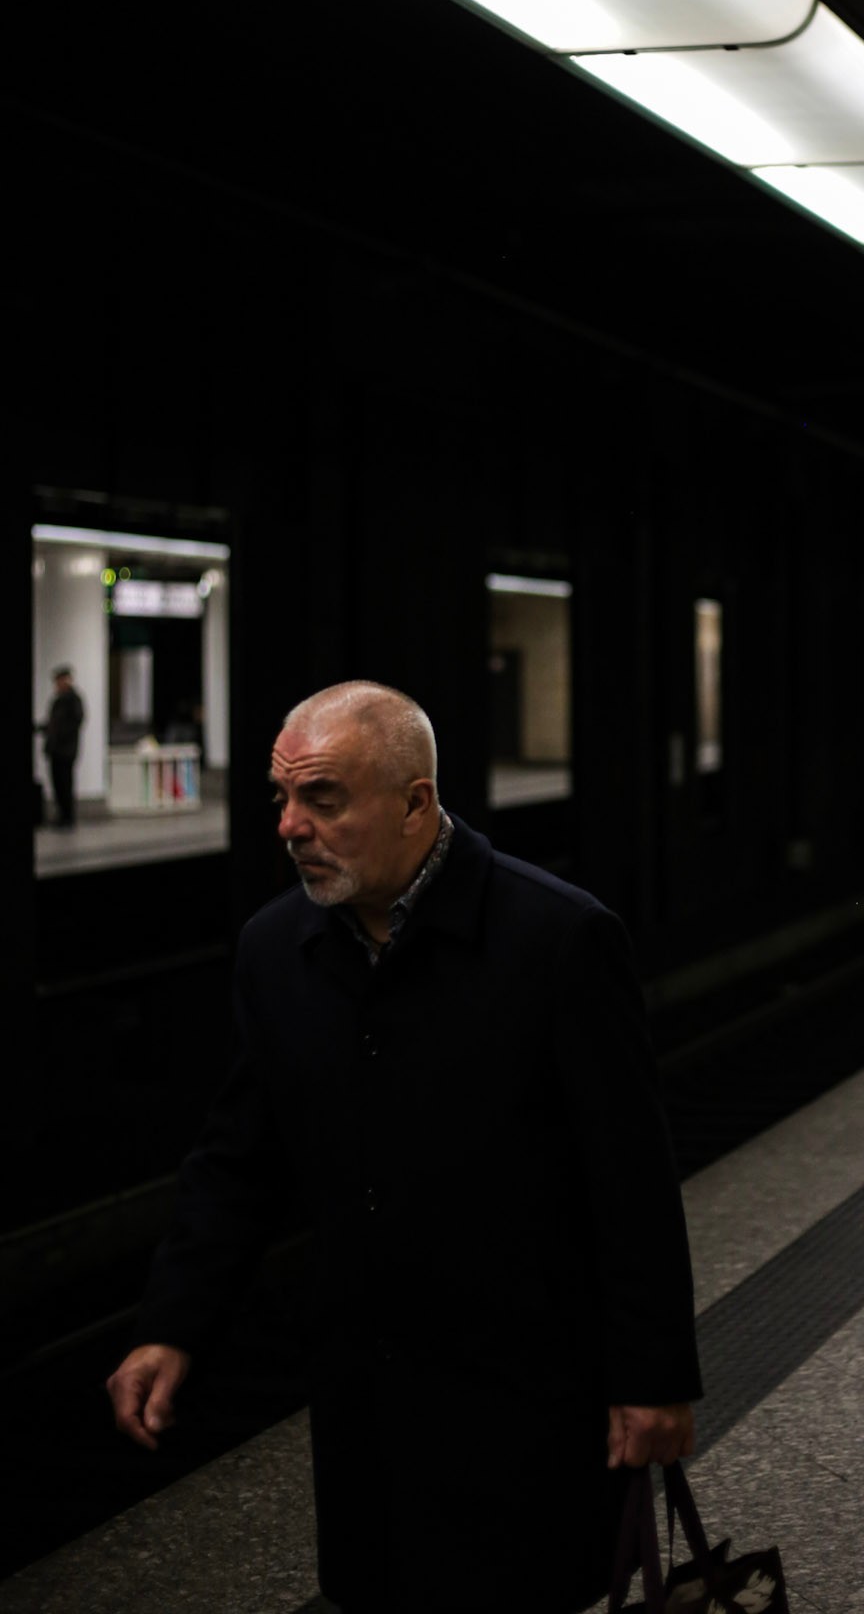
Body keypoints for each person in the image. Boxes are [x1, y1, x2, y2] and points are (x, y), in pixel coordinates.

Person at [106, 681, 701, 1612]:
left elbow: (630, 1177)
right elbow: (239, 1161)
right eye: (282, 798)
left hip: (524, 1391)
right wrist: (172, 1324)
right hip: (366, 1397)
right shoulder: (275, 949)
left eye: (323, 798)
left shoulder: (556, 938)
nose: (290, 826)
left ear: (415, 802)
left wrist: (653, 1378)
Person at [43, 665, 85, 828]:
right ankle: (62, 815)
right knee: (58, 784)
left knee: (65, 784)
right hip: (56, 749)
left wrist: (59, 735)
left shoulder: (73, 700)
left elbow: (74, 723)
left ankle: (68, 817)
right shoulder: (58, 700)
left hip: (66, 750)